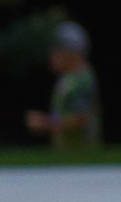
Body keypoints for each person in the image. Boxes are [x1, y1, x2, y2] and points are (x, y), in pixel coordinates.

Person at [27, 20, 102, 154]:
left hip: (81, 158)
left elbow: (81, 119)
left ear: (71, 52)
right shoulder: (69, 79)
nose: (52, 55)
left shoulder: (81, 81)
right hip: (70, 156)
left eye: (57, 49)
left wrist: (45, 123)